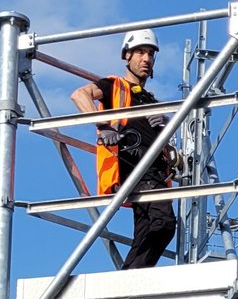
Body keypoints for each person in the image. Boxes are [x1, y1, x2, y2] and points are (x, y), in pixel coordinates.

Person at [71, 28, 178, 269]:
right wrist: (103, 124)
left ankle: (130, 291)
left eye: (151, 54)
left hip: (155, 173)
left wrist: (165, 126)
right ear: (126, 56)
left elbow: (168, 148)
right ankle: (131, 284)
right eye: (140, 52)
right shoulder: (113, 86)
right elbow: (80, 95)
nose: (146, 59)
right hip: (132, 168)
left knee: (151, 230)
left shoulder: (150, 100)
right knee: (163, 223)